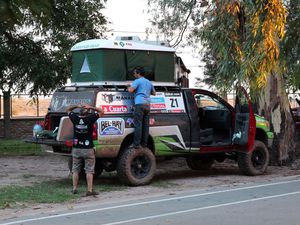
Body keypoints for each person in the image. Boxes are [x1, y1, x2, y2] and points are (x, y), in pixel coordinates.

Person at [66, 103, 103, 196]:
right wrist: (91, 107)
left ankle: (74, 189)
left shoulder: (75, 118)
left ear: (79, 112)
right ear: (87, 113)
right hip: (88, 148)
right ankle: (89, 190)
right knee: (89, 171)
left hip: (76, 148)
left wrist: (76, 106)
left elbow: (68, 110)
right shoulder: (90, 118)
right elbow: (102, 111)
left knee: (75, 170)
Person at [128, 66, 156, 149]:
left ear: (138, 73)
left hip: (139, 104)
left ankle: (136, 144)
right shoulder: (149, 82)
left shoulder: (137, 81)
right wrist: (146, 92)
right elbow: (154, 93)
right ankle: (144, 144)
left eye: (134, 73)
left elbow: (130, 90)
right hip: (147, 104)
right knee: (146, 125)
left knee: (138, 125)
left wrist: (128, 87)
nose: (134, 74)